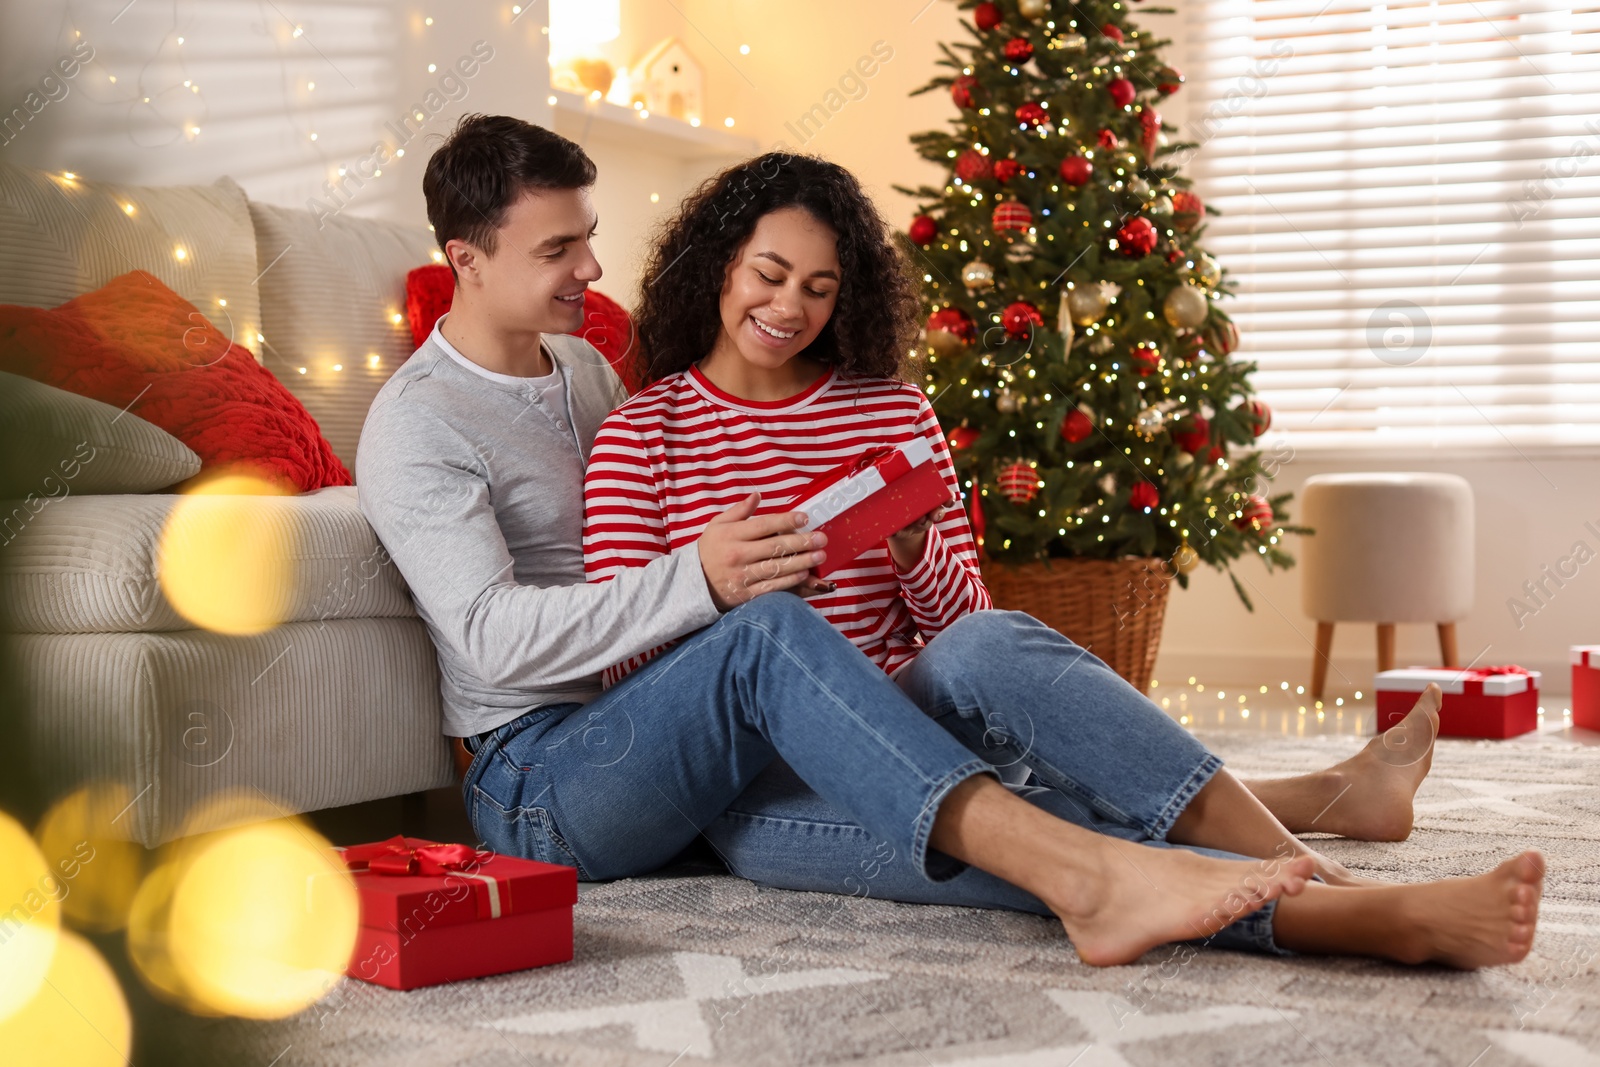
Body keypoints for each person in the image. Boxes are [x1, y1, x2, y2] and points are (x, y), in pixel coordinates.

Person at [357, 115, 1542, 968]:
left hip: (809, 721)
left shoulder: (585, 376)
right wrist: (705, 577)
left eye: (590, 239)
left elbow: (951, 618)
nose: (591, 269)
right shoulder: (445, 423)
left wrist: (913, 551)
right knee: (782, 643)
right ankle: (1300, 903)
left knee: (979, 651)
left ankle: (1295, 834)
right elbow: (509, 638)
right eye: (559, 250)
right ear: (465, 259)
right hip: (558, 767)